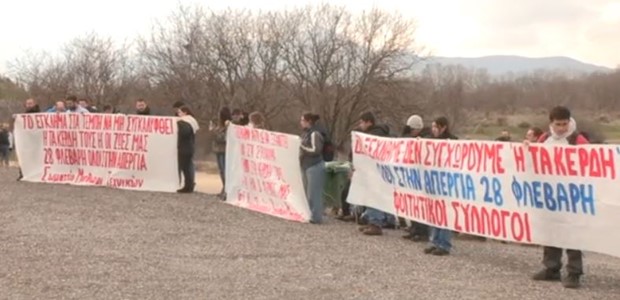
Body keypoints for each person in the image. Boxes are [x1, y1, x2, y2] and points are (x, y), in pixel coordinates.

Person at [530, 106, 587, 289]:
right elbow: (534, 158)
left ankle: (574, 273)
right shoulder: (545, 139)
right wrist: (526, 148)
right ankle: (551, 268)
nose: (562, 128)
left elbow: (591, 162)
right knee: (551, 232)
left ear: (570, 121)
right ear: (551, 123)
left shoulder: (577, 139)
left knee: (572, 235)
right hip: (550, 195)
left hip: (572, 196)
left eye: (565, 124)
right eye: (558, 124)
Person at [424, 116, 458, 256]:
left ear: (443, 127)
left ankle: (444, 244)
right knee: (434, 213)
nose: (433, 130)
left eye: (435, 127)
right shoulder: (431, 141)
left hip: (446, 184)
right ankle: (435, 241)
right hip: (434, 183)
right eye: (432, 127)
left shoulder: (453, 141)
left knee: (445, 214)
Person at [355, 112, 393, 235]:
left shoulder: (375, 135)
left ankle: (376, 223)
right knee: (370, 196)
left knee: (375, 196)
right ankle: (371, 221)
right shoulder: (373, 134)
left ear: (369, 122)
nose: (360, 125)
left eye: (362, 122)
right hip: (371, 169)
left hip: (376, 170)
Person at [401, 115, 431, 241]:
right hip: (413, 176)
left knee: (421, 206)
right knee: (413, 205)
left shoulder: (426, 139)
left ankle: (422, 232)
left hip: (423, 177)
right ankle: (414, 229)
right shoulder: (414, 138)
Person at [299, 112, 326, 224]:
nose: (301, 123)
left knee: (313, 193)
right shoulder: (305, 133)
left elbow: (316, 150)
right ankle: (309, 213)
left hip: (314, 165)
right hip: (306, 165)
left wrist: (301, 146)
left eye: (302, 120)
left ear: (308, 121)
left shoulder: (315, 134)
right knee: (306, 191)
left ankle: (316, 216)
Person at [16, 98, 41, 180]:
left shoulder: (39, 113)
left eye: (30, 103)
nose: (29, 105)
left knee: (36, 157)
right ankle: (23, 173)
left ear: (34, 104)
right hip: (27, 139)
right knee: (24, 157)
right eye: (28, 104)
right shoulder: (24, 115)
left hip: (36, 140)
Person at [211, 107, 232, 200]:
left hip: (224, 150)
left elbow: (223, 138)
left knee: (224, 170)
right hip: (218, 150)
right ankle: (224, 188)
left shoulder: (228, 126)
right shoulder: (220, 126)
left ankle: (226, 190)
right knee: (221, 170)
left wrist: (213, 130)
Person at [176, 107, 199, 193]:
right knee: (187, 168)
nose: (178, 114)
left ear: (184, 112)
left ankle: (188, 186)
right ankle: (188, 185)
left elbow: (185, 132)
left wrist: (179, 124)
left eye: (179, 112)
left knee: (186, 168)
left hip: (185, 148)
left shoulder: (185, 122)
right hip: (189, 147)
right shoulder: (191, 121)